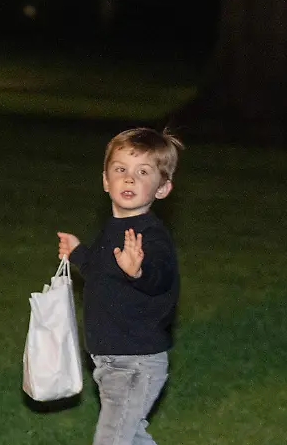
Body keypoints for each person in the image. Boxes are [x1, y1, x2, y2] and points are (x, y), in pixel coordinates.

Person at [56, 128, 182, 445]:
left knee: (112, 439)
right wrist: (79, 253)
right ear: (105, 180)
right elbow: (102, 273)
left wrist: (139, 272)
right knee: (131, 436)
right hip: (109, 360)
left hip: (136, 362)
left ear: (163, 188)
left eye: (143, 172)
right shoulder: (113, 228)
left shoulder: (151, 236)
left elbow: (162, 278)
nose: (129, 179)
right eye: (121, 169)